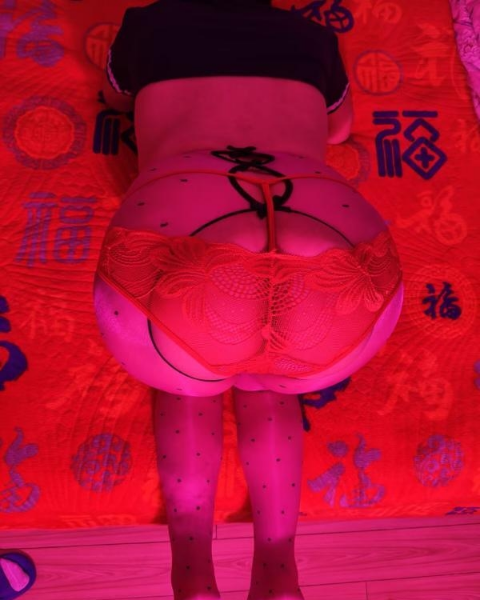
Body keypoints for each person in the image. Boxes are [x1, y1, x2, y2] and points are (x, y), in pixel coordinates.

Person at [93, 1, 404, 599]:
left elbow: (115, 98)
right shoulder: (313, 37)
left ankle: (191, 566)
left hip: (191, 205)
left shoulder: (147, 23)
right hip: (322, 222)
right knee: (271, 386)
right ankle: (279, 563)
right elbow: (340, 129)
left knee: (188, 385)